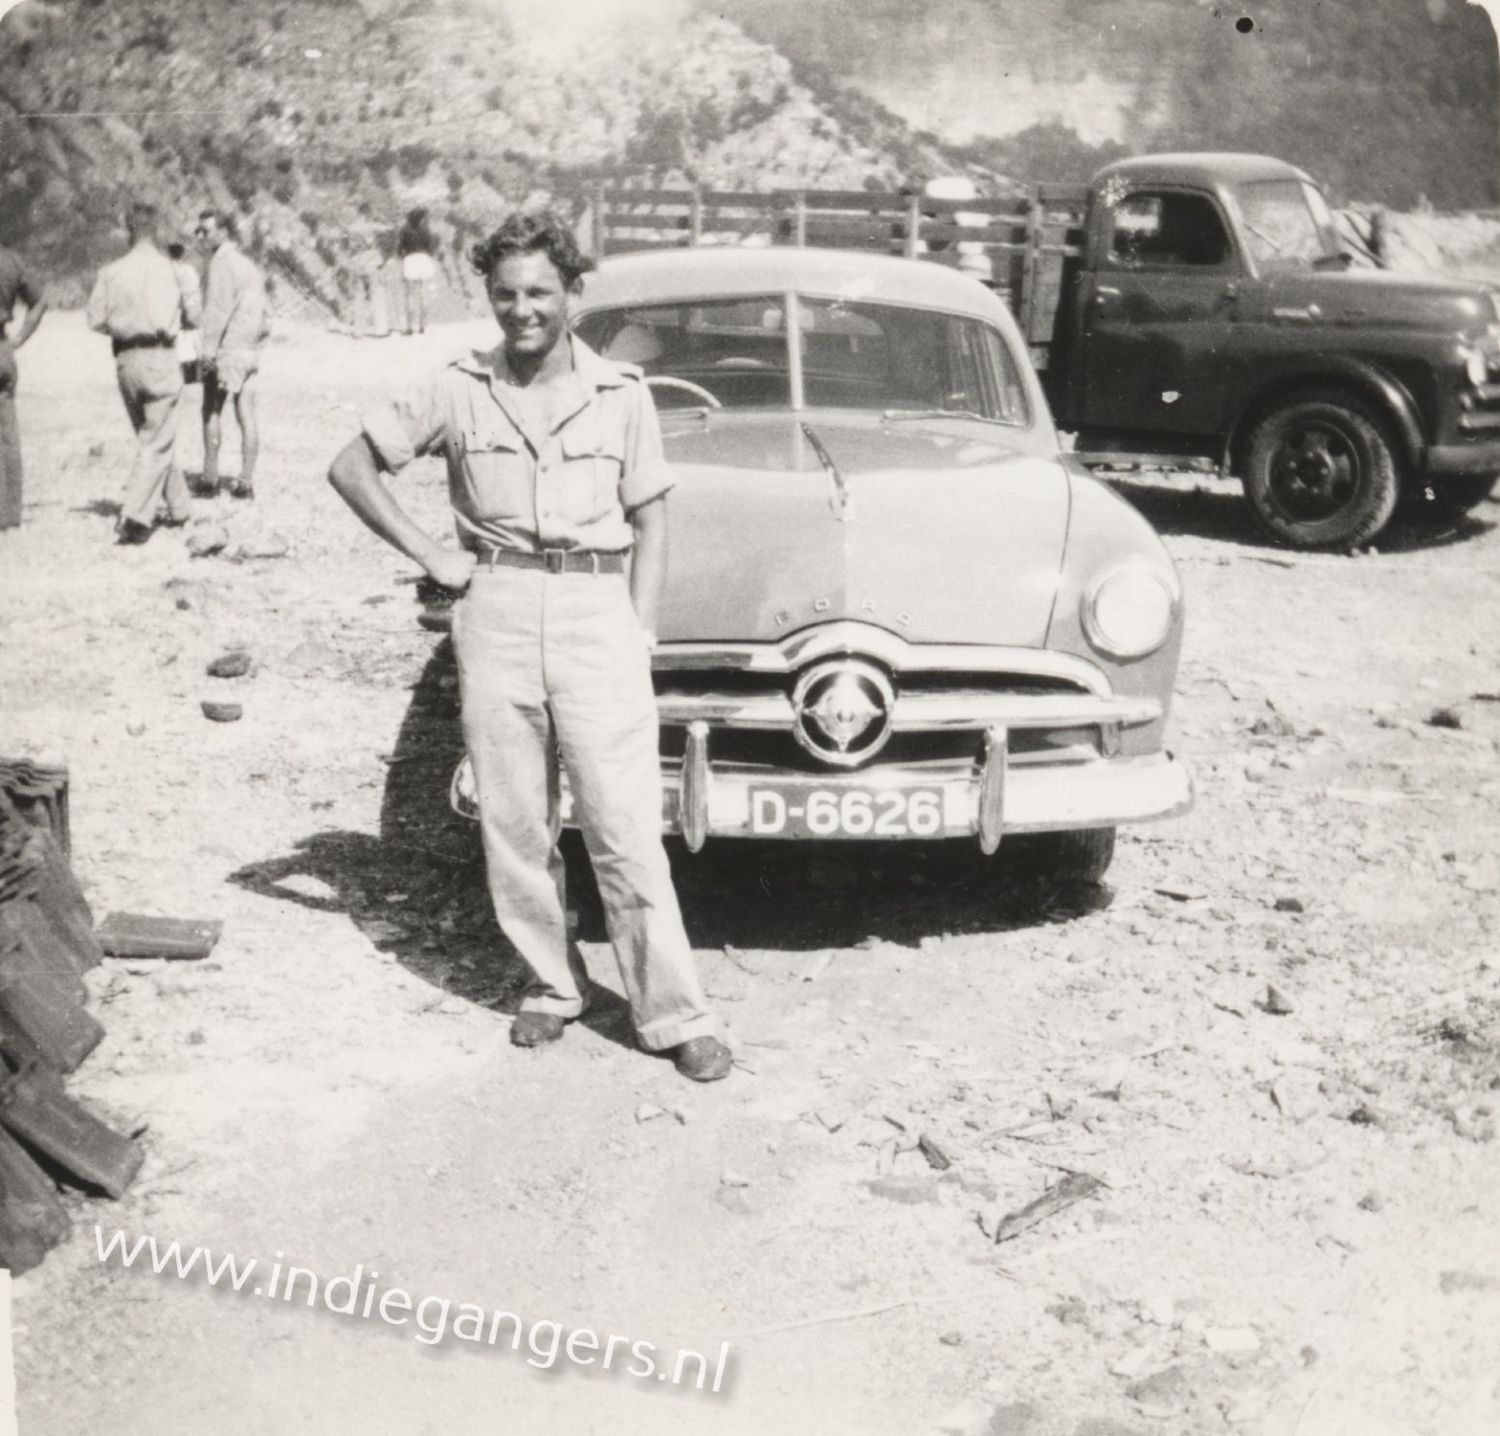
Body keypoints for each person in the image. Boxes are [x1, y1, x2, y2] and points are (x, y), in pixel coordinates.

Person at [326, 210, 731, 1083]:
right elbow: (351, 467)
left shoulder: (621, 393)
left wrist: (638, 626)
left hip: (596, 611)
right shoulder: (458, 387)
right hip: (498, 610)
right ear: (489, 295)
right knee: (515, 823)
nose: (523, 310)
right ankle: (552, 984)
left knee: (624, 826)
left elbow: (652, 516)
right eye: (505, 294)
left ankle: (673, 1013)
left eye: (540, 292)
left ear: (573, 292)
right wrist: (434, 555)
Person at [86, 202, 198, 543]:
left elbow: (95, 320)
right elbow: (194, 317)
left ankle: (180, 508)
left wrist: (126, 325)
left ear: (129, 228)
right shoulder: (175, 270)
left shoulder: (111, 272)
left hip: (126, 361)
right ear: (157, 229)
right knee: (158, 439)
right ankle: (135, 516)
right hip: (161, 357)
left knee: (153, 437)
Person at [196, 209, 269, 499]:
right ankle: (245, 482)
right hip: (250, 351)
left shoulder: (221, 263)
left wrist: (207, 352)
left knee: (211, 410)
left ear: (223, 232)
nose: (201, 237)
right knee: (247, 415)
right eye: (199, 231)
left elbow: (217, 312)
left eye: (206, 231)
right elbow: (266, 315)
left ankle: (210, 478)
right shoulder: (247, 264)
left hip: (228, 350)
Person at [0, 244, 47, 532]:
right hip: (2, 348)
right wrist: (19, 339)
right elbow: (40, 300)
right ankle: (8, 512)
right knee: (7, 434)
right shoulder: (9, 260)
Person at [167, 241, 203, 386]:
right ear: (182, 254)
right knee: (188, 342)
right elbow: (194, 294)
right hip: (186, 310)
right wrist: (194, 312)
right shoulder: (189, 271)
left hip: (170, 313)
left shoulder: (163, 270)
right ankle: (190, 374)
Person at [396, 207, 437, 335]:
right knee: (423, 293)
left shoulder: (404, 230)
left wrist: (402, 257)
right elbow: (431, 248)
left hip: (410, 259)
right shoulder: (425, 230)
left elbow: (400, 249)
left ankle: (409, 327)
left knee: (410, 295)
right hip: (424, 259)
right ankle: (422, 325)